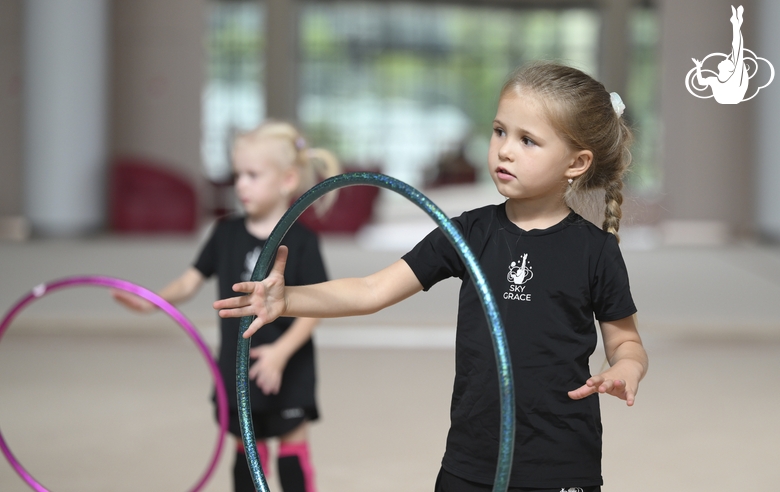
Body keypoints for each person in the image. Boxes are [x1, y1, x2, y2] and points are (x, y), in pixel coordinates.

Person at [214, 63, 649, 492]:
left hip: (561, 462)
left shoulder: (595, 251)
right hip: (472, 458)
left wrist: (626, 366)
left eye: (528, 140)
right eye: (499, 131)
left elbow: (626, 341)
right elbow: (372, 289)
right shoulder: (467, 233)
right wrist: (286, 300)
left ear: (577, 163)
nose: (505, 150)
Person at [113, 121, 340, 492]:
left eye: (252, 175)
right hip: (237, 366)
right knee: (246, 452)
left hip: (288, 365)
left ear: (286, 180)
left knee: (292, 446)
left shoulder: (302, 241)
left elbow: (316, 307)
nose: (241, 185)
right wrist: (151, 302)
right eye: (238, 175)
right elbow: (190, 280)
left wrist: (281, 353)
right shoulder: (224, 233)